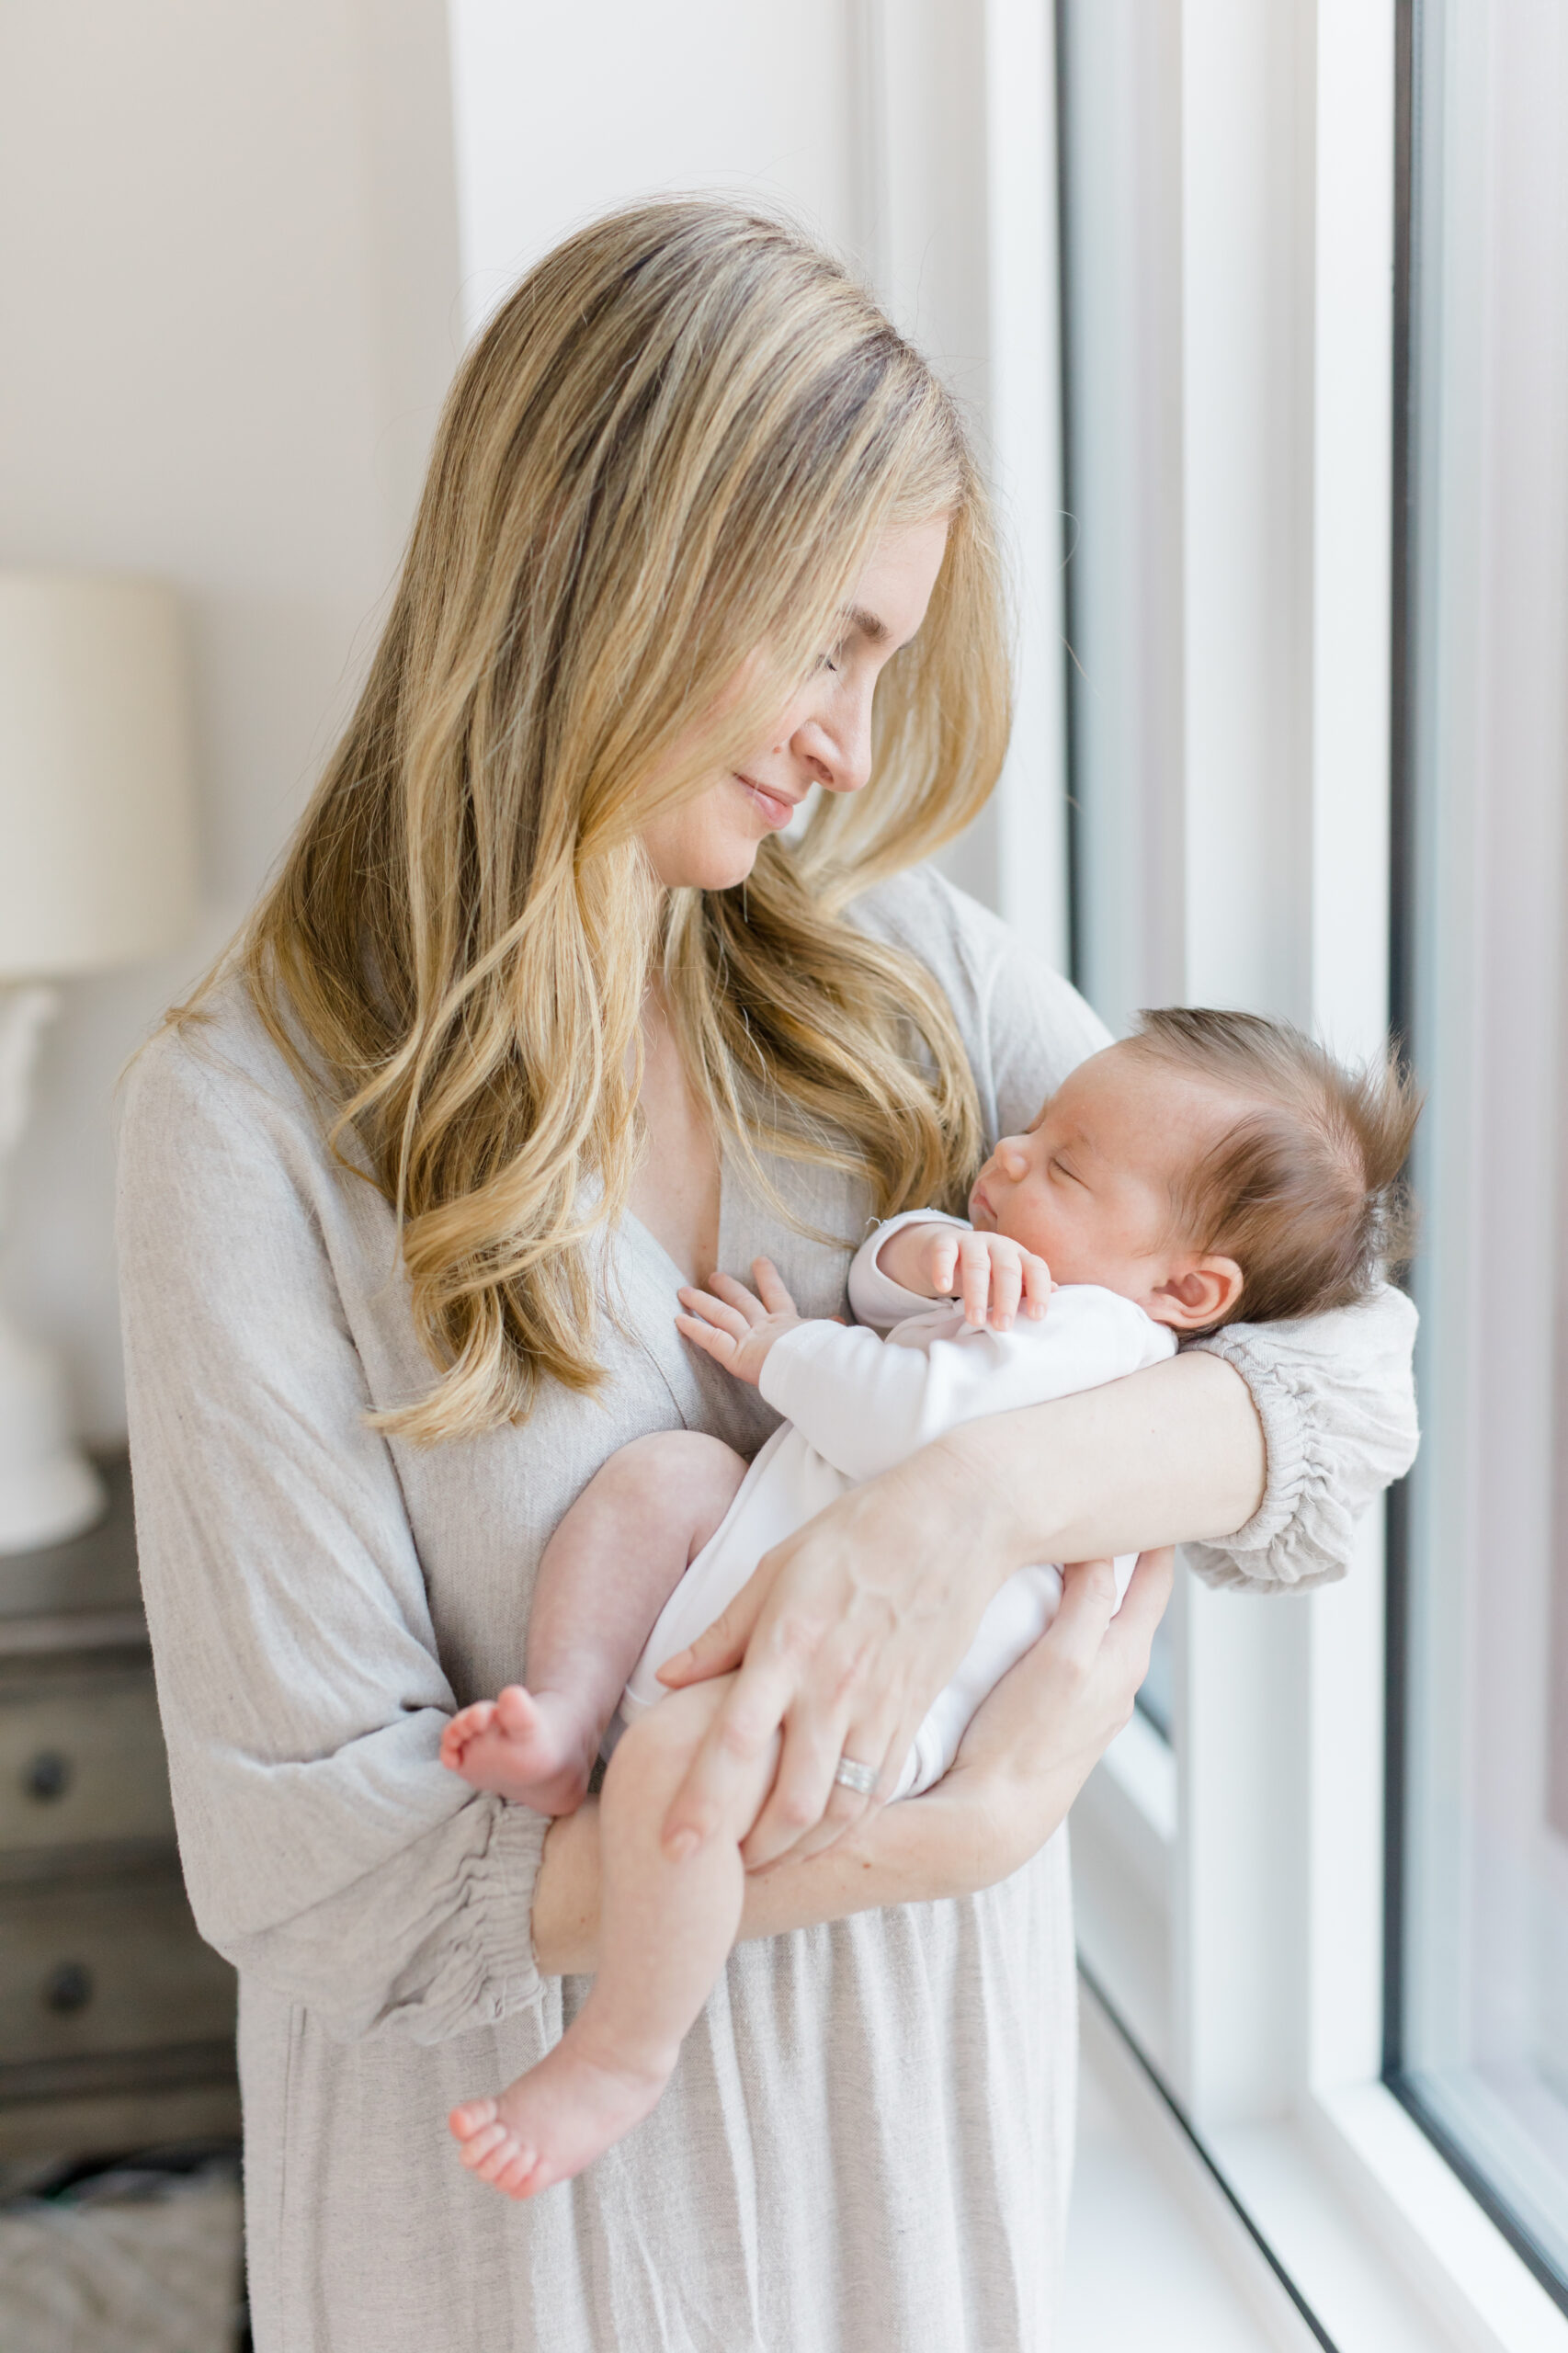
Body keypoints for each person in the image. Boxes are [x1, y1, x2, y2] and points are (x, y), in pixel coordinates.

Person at [116, 199, 1419, 2351]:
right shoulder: (250, 1120)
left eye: (881, 665)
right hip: (533, 2227)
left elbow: (1344, 1386)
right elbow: (310, 1873)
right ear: (619, 565)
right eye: (826, 642)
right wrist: (949, 1826)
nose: (844, 737)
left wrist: (968, 1504)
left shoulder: (905, 979)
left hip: (918, 2150)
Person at [440, 1011, 1420, 2200]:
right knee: (660, 1483)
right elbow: (887, 1294)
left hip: (868, 1709)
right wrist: (920, 1258)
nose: (1008, 1159)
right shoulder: (1041, 1285)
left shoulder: (1101, 1338)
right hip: (762, 1557)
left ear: (1187, 1286)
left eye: (1063, 1166)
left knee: (672, 1775)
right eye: (1030, 1131)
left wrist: (783, 1352)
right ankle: (562, 1713)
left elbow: (910, 1415)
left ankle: (619, 2052)